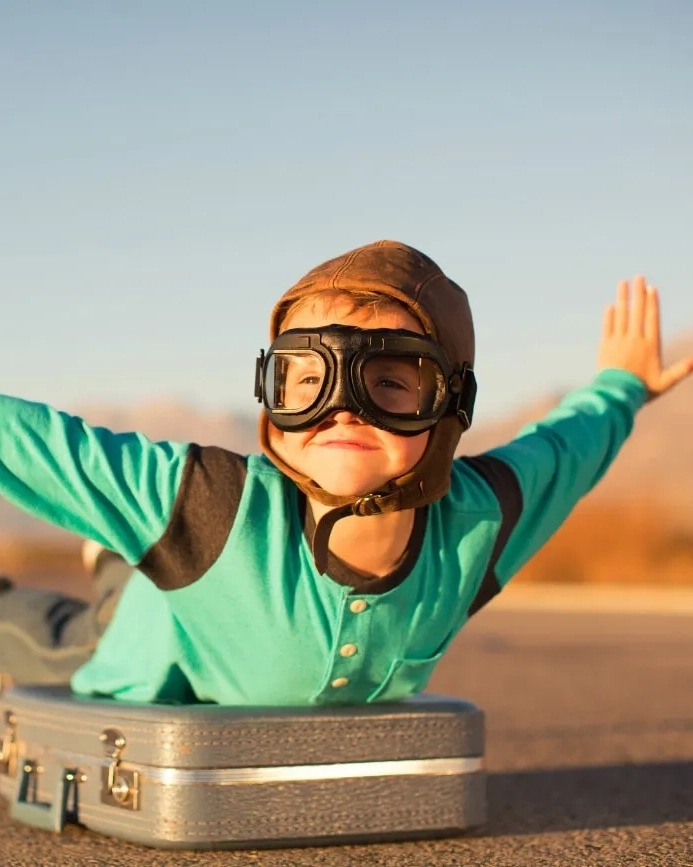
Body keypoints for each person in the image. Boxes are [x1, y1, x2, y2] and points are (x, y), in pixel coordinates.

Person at [0, 240, 690, 706]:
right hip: (159, 641)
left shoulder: (482, 521)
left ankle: (119, 547)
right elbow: (38, 444)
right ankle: (119, 556)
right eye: (306, 380)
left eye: (388, 383)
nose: (341, 409)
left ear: (451, 402)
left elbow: (569, 448)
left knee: (139, 542)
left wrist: (622, 386)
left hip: (174, 554)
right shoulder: (207, 504)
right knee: (58, 638)